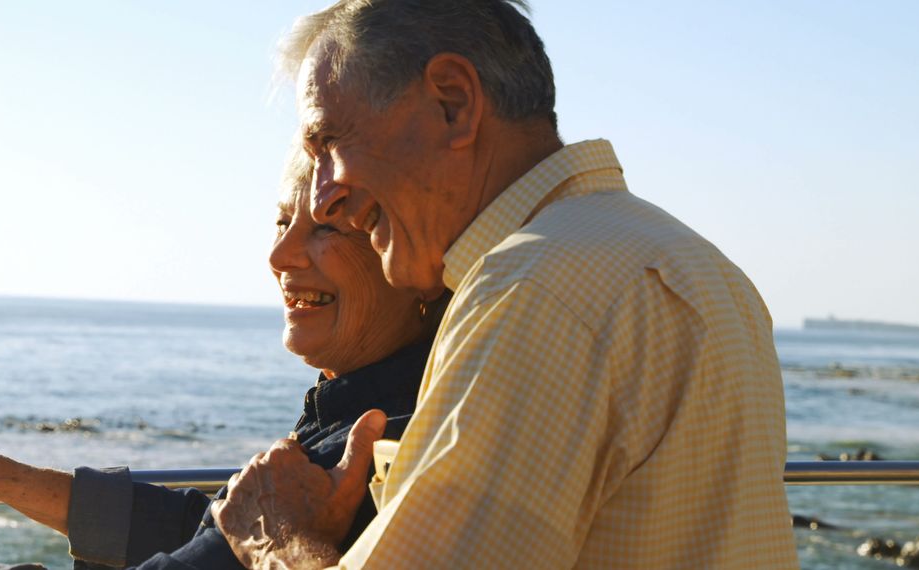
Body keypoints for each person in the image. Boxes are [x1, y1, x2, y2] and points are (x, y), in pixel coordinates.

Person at [208, 1, 800, 568]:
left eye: (330, 142)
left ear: (453, 103)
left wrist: (277, 540)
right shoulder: (697, 264)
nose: (326, 194)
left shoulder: (532, 291)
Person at [0, 154, 449, 569]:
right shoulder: (358, 406)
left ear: (415, 261)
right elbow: (211, 532)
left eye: (327, 227)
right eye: (282, 220)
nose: (279, 254)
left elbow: (226, 547)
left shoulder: (389, 436)